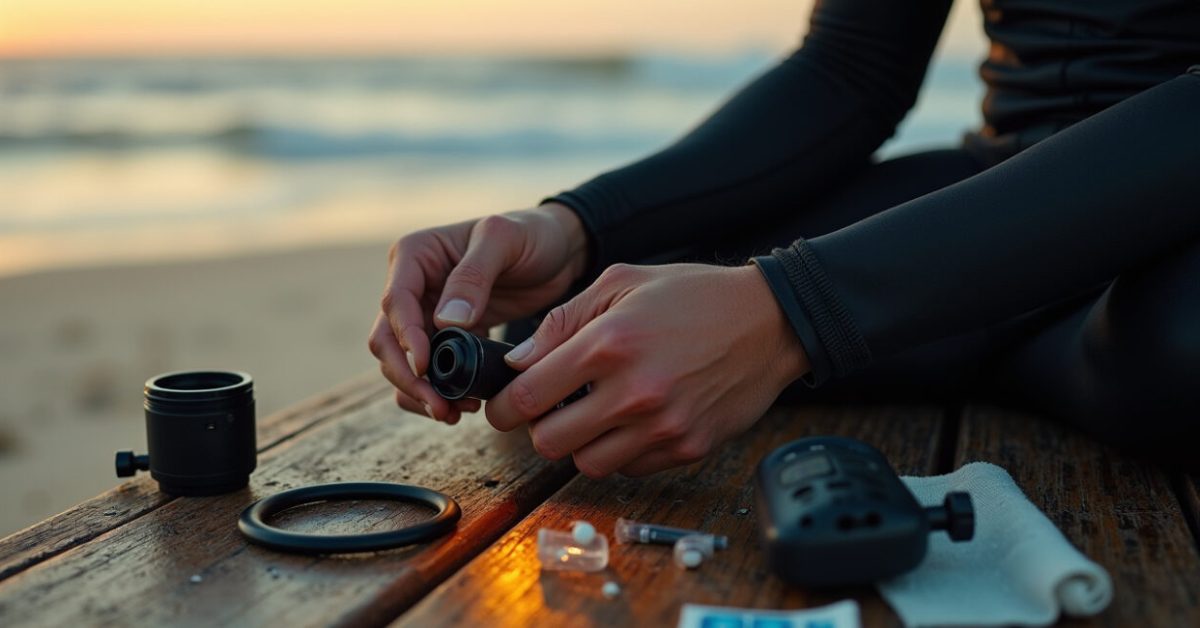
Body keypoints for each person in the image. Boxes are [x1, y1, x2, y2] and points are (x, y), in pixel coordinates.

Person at [369, 0, 1200, 477]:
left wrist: (795, 313)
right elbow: (854, 66)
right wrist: (580, 226)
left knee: (1181, 343)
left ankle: (992, 338)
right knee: (578, 330)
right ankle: (1020, 339)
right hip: (1000, 178)